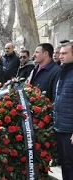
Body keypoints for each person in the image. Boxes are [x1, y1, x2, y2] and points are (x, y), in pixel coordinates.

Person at [53, 41, 73, 180]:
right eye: (60, 53)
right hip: (61, 127)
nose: (61, 56)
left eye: (65, 53)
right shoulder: (63, 71)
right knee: (65, 164)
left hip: (70, 130)